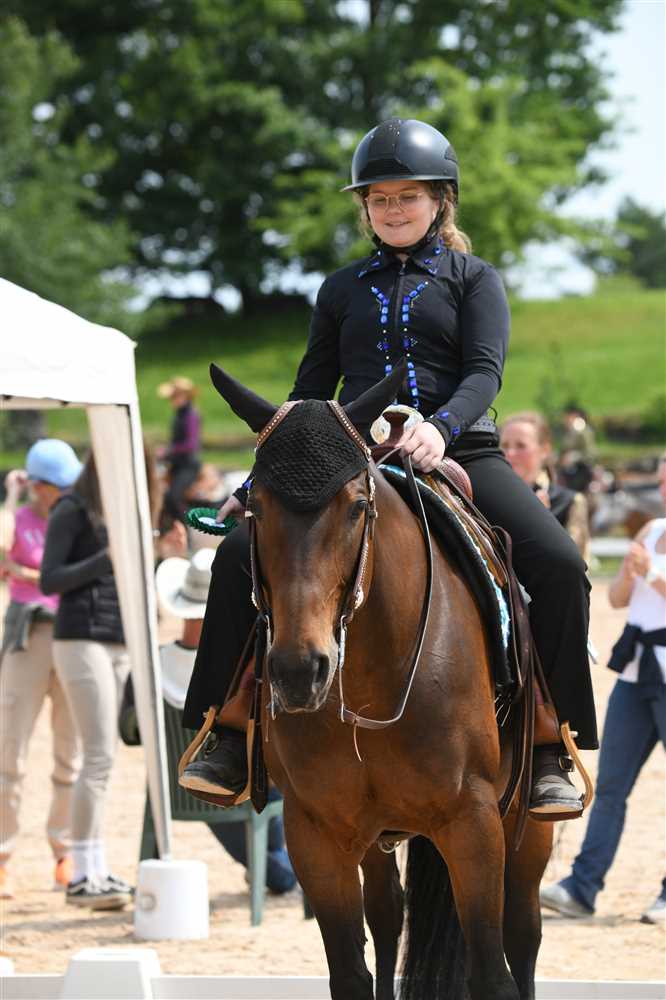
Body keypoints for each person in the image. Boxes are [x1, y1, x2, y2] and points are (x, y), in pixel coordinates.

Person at [181, 117, 598, 819]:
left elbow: (484, 372)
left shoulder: (474, 279)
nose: (393, 209)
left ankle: (554, 738)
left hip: (459, 448)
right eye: (379, 199)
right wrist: (257, 482)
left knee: (559, 565)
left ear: (441, 201)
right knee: (236, 556)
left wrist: (442, 427)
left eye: (408, 196)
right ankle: (223, 728)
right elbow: (310, 391)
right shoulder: (340, 288)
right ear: (365, 209)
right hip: (351, 456)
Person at [119, 548, 297, 894]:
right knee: (284, 875)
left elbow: (130, 733)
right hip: (236, 792)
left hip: (173, 794)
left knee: (278, 854)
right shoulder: (243, 673)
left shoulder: (149, 666)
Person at [540, 455, 666, 924]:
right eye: (661, 482)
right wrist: (630, 576)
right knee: (610, 784)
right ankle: (582, 886)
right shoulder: (650, 531)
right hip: (637, 672)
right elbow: (616, 599)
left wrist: (650, 573)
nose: (664, 489)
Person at [40, 453, 133, 909]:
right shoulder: (71, 508)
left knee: (104, 759)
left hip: (117, 637)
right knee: (96, 756)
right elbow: (49, 579)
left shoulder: (120, 508)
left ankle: (95, 866)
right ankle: (81, 872)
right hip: (80, 636)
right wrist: (105, 559)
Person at [0, 440, 82, 900]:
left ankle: (63, 851)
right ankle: (2, 856)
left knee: (69, 754)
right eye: (55, 486)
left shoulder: (75, 518)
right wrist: (11, 497)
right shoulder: (19, 518)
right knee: (9, 752)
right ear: (36, 485)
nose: (63, 493)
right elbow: (1, 552)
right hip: (27, 637)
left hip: (70, 634)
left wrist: (26, 574)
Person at [500, 411, 590, 560]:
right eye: (504, 445)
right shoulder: (488, 498)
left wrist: (543, 526)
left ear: (545, 450)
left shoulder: (569, 502)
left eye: (521, 446)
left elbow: (575, 566)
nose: (510, 453)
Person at [157, 376, 202, 522]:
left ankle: (187, 527)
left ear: (184, 396)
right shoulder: (180, 414)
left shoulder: (191, 415)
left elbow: (190, 444)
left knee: (173, 497)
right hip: (177, 464)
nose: (172, 400)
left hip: (188, 465)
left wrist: (168, 451)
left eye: (174, 396)